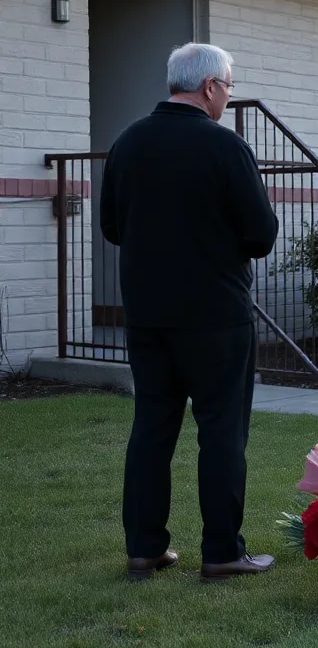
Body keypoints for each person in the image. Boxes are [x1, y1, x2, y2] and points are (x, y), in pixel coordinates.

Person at [100, 43, 280, 580]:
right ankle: (223, 552)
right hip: (215, 315)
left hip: (147, 314)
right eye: (228, 86)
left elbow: (112, 226)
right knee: (222, 431)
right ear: (209, 88)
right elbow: (261, 236)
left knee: (152, 427)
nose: (227, 95)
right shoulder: (224, 147)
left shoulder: (128, 142)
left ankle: (144, 549)